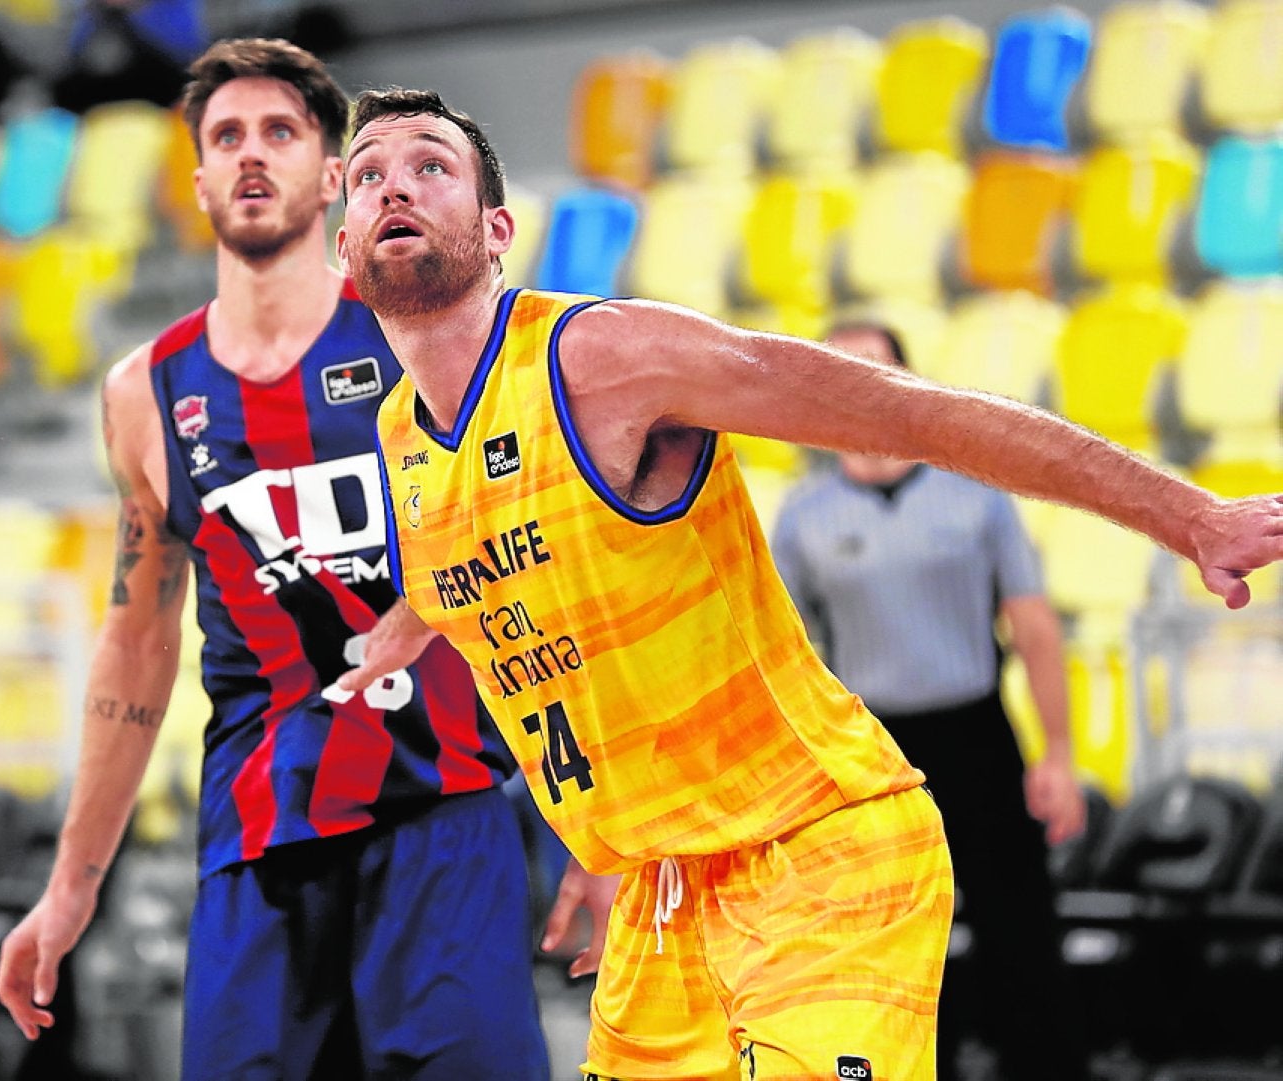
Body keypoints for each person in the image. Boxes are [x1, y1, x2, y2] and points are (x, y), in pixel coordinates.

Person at [334, 87, 1283, 1079]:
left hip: (817, 850)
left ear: (498, 231)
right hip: (664, 891)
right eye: (368, 175)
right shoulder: (401, 436)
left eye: (431, 164)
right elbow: (481, 577)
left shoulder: (602, 358)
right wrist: (407, 635)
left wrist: (1187, 516)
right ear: (345, 249)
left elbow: (914, 416)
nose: (396, 185)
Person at [0, 40, 554, 1080]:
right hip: (255, 835)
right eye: (227, 137)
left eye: (281, 132)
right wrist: (73, 883)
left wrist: (604, 829)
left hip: (444, 813)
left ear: (333, 174)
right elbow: (136, 645)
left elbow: (543, 568)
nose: (251, 154)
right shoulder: (145, 393)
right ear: (199, 180)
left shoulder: (425, 332)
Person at [768, 321, 1089, 1079]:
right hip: (875, 754)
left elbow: (1033, 625)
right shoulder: (803, 518)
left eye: (873, 368)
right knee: (891, 942)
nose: (857, 386)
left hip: (978, 735)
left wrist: (1059, 754)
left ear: (906, 380)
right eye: (837, 372)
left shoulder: (974, 492)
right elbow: (791, 660)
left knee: (1019, 930)